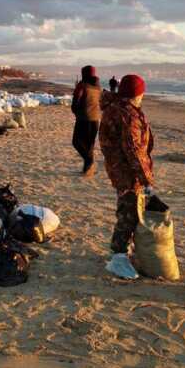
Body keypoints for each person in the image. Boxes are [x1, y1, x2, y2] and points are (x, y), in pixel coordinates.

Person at [99, 74, 153, 279]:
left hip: (118, 168)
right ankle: (118, 257)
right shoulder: (127, 114)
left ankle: (122, 251)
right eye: (141, 93)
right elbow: (134, 150)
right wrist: (146, 179)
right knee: (129, 212)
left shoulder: (114, 108)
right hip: (127, 172)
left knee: (127, 208)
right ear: (137, 94)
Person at [71, 66, 103, 175]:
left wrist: (76, 111)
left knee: (76, 142)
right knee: (90, 145)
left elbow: (75, 102)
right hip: (96, 119)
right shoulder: (98, 87)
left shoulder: (82, 86)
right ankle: (88, 169)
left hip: (84, 118)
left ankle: (89, 161)